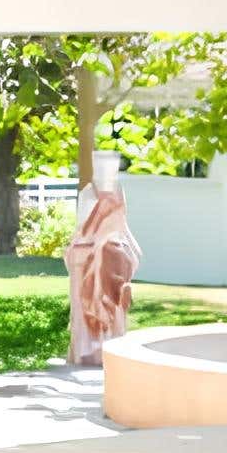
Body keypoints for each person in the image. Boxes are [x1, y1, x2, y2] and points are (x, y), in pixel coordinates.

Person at [64, 151, 141, 367]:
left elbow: (120, 225)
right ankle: (87, 350)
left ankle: (110, 346)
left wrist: (126, 247)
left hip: (112, 252)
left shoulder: (118, 193)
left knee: (113, 285)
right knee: (89, 285)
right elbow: (85, 228)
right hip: (89, 250)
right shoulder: (89, 193)